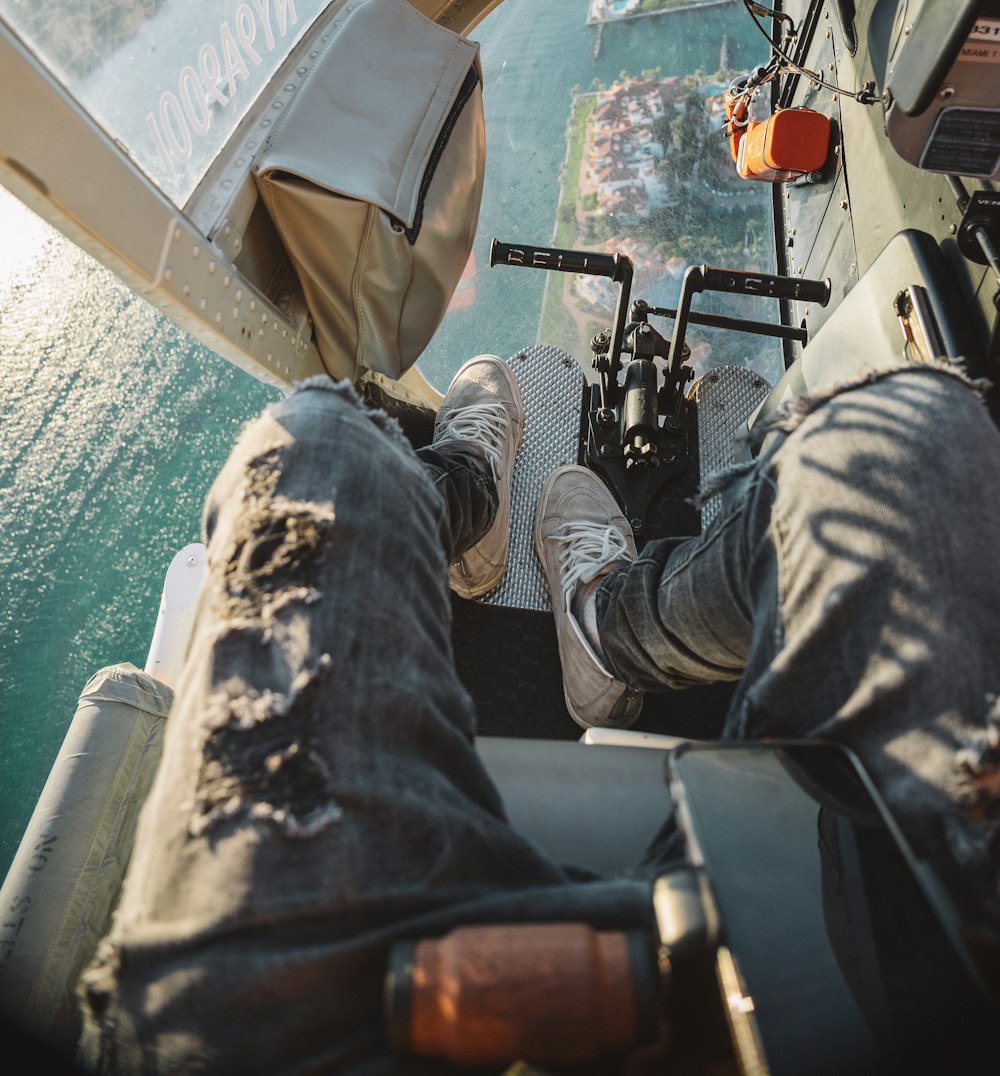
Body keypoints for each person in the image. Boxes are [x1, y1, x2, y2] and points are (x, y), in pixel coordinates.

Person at [78, 356, 1000, 1073]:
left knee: (312, 447)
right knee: (909, 440)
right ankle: (606, 626)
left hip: (281, 1032)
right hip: (873, 946)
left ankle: (473, 491)